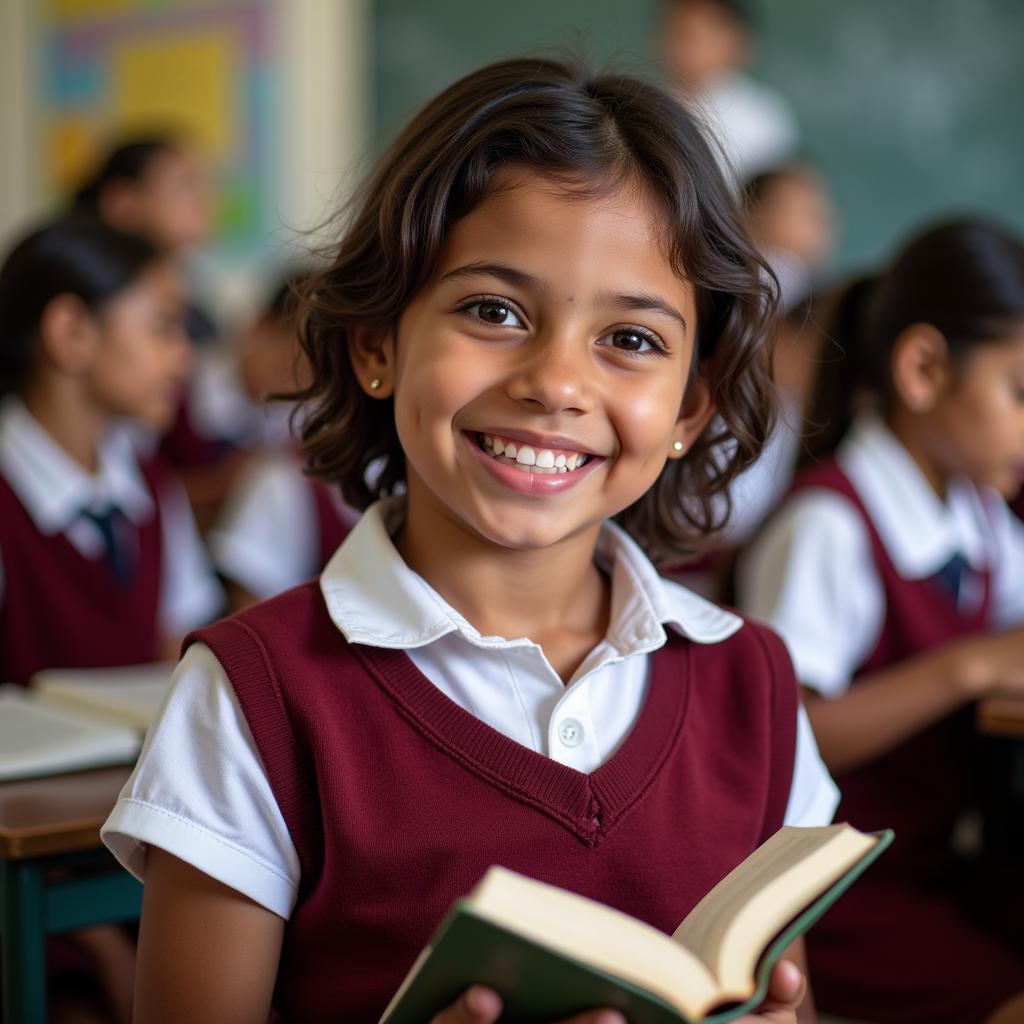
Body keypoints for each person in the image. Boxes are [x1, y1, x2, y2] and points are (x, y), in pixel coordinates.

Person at [101, 57, 839, 1024]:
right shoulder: (256, 698)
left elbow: (791, 996)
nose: (557, 383)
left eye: (633, 340)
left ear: (691, 408)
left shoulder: (756, 686)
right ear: (377, 345)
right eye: (494, 311)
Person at [739, 220, 1024, 1023]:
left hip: (938, 864)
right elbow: (780, 736)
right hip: (832, 896)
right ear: (924, 370)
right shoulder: (831, 525)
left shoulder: (977, 511)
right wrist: (966, 668)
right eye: (1021, 392)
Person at [0, 218, 224, 1023]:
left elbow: (177, 676)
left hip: (131, 856)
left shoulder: (149, 485)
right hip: (29, 880)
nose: (185, 357)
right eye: (163, 326)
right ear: (70, 332)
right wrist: (105, 945)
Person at [660, 0, 799, 183]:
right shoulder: (648, 103)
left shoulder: (761, 114)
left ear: (736, 41)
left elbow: (774, 198)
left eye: (697, 37)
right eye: (677, 34)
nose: (684, 50)